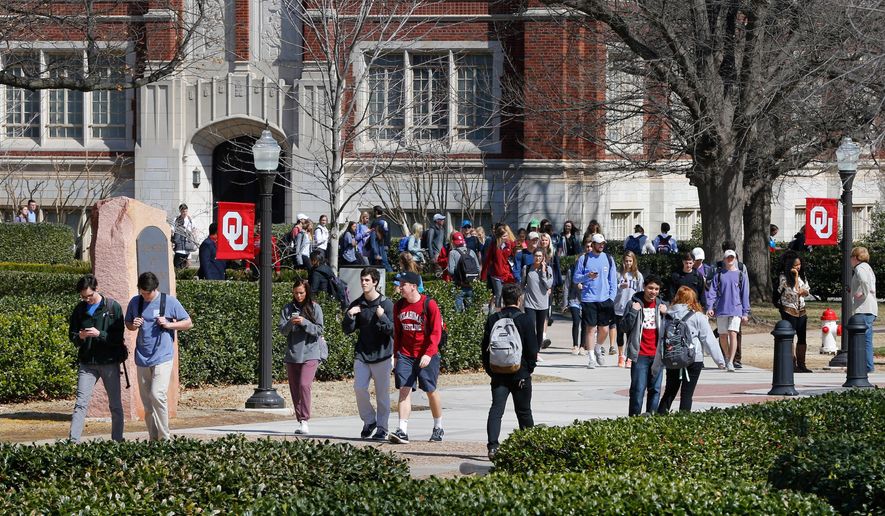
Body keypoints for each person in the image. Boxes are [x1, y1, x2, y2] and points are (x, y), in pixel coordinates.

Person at [124, 272, 192, 441]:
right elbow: (128, 324)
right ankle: (154, 439)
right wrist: (133, 325)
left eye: (148, 293)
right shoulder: (135, 302)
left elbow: (188, 323)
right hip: (142, 356)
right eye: (142, 292)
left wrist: (169, 324)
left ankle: (165, 438)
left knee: (157, 394)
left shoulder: (169, 301)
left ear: (155, 289)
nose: (145, 296)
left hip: (163, 355)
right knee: (147, 402)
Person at [481, 282, 538, 460]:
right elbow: (532, 349)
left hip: (498, 373)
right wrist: (528, 370)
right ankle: (529, 447)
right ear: (520, 299)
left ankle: (493, 446)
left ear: (503, 299)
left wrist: (491, 370)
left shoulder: (493, 319)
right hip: (520, 373)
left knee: (496, 410)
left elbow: (484, 348)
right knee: (524, 412)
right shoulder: (525, 319)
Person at [68, 274, 126, 443]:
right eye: (83, 297)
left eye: (89, 296)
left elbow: (118, 337)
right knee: (80, 403)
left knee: (115, 405)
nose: (87, 300)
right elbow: (72, 336)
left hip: (109, 362)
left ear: (96, 289)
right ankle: (73, 442)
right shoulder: (79, 309)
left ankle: (117, 440)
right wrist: (80, 336)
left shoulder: (113, 307)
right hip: (87, 363)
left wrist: (100, 334)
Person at [389, 271, 444, 444]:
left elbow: (437, 332)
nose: (400, 288)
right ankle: (402, 430)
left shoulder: (429, 304)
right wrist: (396, 354)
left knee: (430, 390)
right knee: (404, 389)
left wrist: (428, 353)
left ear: (413, 286)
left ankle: (438, 426)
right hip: (405, 354)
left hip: (426, 353)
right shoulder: (398, 306)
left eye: (403, 284)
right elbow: (397, 333)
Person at [654, 286, 726, 413]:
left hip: (673, 357)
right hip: (693, 358)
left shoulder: (667, 316)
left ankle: (659, 420)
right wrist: (720, 361)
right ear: (692, 300)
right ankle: (684, 423)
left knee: (669, 392)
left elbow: (661, 341)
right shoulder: (698, 316)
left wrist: (656, 364)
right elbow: (709, 339)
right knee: (687, 395)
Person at [342, 267, 393, 441]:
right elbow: (346, 330)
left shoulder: (386, 304)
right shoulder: (357, 304)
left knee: (382, 395)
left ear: (375, 283)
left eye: (367, 280)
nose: (363, 283)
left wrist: (382, 317)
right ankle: (370, 420)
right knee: (359, 388)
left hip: (382, 355)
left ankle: (382, 428)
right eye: (362, 280)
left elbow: (392, 330)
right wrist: (350, 315)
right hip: (362, 354)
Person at [279, 279, 325, 435]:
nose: (298, 296)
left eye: (301, 293)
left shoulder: (315, 307)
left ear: (307, 292)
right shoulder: (287, 308)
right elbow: (283, 331)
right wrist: (291, 322)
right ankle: (301, 421)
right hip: (292, 355)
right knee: (295, 389)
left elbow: (319, 330)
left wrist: (304, 322)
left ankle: (305, 419)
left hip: (311, 353)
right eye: (296, 293)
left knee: (304, 385)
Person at [621, 275, 666, 416]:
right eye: (650, 288)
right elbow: (624, 327)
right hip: (640, 354)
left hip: (657, 355)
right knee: (638, 389)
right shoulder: (633, 304)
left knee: (656, 389)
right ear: (644, 287)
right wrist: (633, 311)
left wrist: (668, 313)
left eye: (656, 289)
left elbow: (671, 329)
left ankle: (650, 420)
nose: (653, 292)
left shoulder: (662, 306)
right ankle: (634, 421)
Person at [573, 233, 617, 368]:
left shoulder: (609, 258)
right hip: (589, 299)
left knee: (604, 330)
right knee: (590, 329)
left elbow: (613, 280)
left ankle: (598, 348)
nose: (601, 245)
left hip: (605, 299)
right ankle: (591, 357)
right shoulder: (584, 259)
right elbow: (576, 278)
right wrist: (587, 276)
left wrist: (611, 298)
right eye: (599, 243)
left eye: (603, 243)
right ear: (593, 244)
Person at [707, 250, 750, 372]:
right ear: (724, 259)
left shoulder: (741, 275)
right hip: (721, 309)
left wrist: (745, 312)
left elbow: (745, 294)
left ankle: (731, 361)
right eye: (728, 258)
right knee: (723, 336)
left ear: (736, 259)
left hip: (736, 309)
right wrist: (710, 307)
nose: (730, 259)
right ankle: (726, 357)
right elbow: (712, 292)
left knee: (733, 333)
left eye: (732, 257)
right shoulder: (719, 275)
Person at [777, 251, 811, 372]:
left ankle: (802, 364)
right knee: (789, 336)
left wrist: (804, 291)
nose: (798, 267)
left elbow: (807, 290)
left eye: (799, 264)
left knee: (802, 337)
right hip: (788, 309)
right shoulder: (783, 277)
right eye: (795, 265)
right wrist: (795, 277)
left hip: (801, 309)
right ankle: (792, 363)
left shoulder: (803, 275)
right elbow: (793, 291)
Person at [613, 250, 644, 367]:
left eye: (630, 261)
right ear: (623, 261)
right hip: (619, 307)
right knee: (620, 333)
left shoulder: (638, 275)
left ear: (633, 261)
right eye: (626, 261)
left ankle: (629, 357)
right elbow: (612, 289)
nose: (628, 263)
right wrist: (619, 286)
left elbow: (641, 291)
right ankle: (621, 355)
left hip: (632, 308)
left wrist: (639, 305)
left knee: (631, 334)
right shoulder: (618, 274)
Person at [850, 247, 878, 373]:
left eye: (851, 257)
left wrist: (863, 294)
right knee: (867, 339)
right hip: (871, 308)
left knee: (863, 339)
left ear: (855, 258)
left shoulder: (859, 268)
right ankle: (868, 365)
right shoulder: (868, 267)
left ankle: (866, 366)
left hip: (863, 308)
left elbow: (864, 282)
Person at [521, 247, 553, 353]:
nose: (537, 258)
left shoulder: (548, 269)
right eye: (536, 256)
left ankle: (537, 350)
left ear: (543, 257)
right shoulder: (527, 268)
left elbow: (548, 285)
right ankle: (530, 349)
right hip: (529, 302)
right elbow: (522, 284)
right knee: (530, 326)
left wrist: (543, 272)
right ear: (533, 256)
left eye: (540, 256)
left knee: (540, 329)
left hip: (543, 303)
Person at [481, 224, 516, 308]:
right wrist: (483, 275)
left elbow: (516, 257)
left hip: (508, 274)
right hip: (496, 274)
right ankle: (498, 313)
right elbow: (487, 259)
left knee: (507, 295)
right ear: (499, 236)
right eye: (504, 236)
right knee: (499, 294)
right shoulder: (494, 245)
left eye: (507, 235)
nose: (506, 238)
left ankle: (507, 311)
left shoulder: (511, 244)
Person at [448, 231, 480, 312]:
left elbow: (451, 271)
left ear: (453, 242)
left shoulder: (453, 253)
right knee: (471, 312)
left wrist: (459, 273)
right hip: (471, 284)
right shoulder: (471, 252)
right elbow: (478, 269)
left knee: (458, 313)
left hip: (459, 285)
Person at [172, 203, 196, 269]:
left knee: (186, 266)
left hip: (188, 247)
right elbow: (172, 231)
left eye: (186, 211)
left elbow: (194, 231)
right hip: (179, 247)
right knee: (177, 266)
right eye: (183, 211)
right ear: (180, 211)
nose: (184, 213)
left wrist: (193, 239)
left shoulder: (190, 220)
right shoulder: (176, 220)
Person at [370, 206, 392, 272]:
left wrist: (375, 252)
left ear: (376, 212)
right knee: (383, 263)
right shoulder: (387, 220)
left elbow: (373, 236)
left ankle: (394, 278)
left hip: (379, 246)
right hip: (386, 245)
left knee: (384, 263)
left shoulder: (376, 222)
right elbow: (388, 234)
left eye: (373, 211)